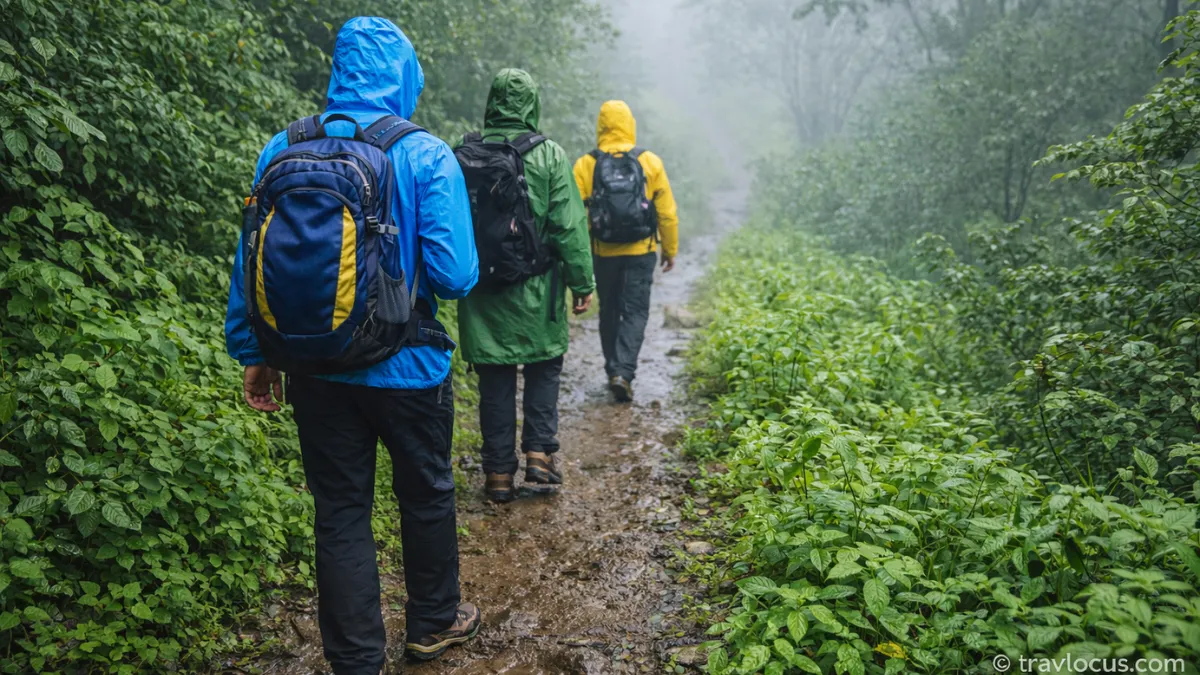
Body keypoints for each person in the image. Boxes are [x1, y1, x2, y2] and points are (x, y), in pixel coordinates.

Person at [224, 17, 481, 671]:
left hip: (316, 366)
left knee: (339, 509)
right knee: (425, 489)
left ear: (337, 69)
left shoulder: (281, 147)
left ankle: (356, 660)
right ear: (405, 75)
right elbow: (453, 276)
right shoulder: (425, 153)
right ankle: (431, 623)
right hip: (411, 366)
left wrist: (254, 352)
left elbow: (249, 264)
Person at [455, 69, 595, 502]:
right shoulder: (549, 154)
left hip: (483, 291)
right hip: (538, 290)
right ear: (533, 105)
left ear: (492, 103)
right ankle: (539, 455)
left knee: (494, 381)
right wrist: (581, 282)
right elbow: (569, 225)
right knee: (543, 367)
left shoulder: (463, 153)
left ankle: (497, 474)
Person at [573, 100, 679, 402]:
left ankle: (612, 370)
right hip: (641, 251)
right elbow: (667, 213)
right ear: (630, 123)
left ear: (601, 126)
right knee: (635, 311)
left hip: (603, 251)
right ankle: (624, 372)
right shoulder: (649, 161)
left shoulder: (586, 164)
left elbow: (573, 215)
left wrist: (578, 256)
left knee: (609, 309)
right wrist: (669, 250)